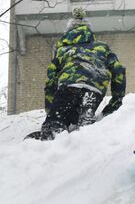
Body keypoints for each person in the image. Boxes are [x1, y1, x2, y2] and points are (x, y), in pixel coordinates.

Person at [38, 7, 126, 140]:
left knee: (57, 121)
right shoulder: (102, 47)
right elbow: (118, 71)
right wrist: (115, 102)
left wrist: (51, 109)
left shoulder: (62, 50)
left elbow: (51, 80)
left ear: (68, 32)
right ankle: (86, 110)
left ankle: (54, 129)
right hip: (94, 88)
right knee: (83, 122)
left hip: (67, 88)